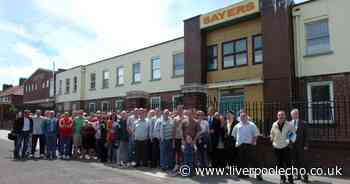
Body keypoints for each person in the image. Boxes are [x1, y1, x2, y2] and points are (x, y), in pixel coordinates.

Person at [232, 110, 262, 180]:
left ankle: (258, 175)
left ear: (247, 117)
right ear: (240, 117)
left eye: (244, 116)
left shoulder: (252, 125)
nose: (243, 117)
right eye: (241, 116)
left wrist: (253, 142)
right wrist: (238, 142)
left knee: (254, 161)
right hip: (241, 145)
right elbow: (234, 135)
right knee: (242, 160)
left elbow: (256, 135)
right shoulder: (237, 125)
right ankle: (244, 174)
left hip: (250, 145)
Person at [270, 110, 296, 184]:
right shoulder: (274, 124)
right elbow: (272, 133)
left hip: (286, 147)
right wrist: (272, 141)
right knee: (279, 164)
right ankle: (282, 178)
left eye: (282, 115)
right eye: (279, 115)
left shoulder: (289, 124)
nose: (281, 116)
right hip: (277, 147)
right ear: (277, 116)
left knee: (288, 164)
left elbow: (293, 135)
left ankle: (290, 179)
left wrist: (289, 141)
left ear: (285, 116)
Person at [290, 109, 309, 183]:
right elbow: (288, 135)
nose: (295, 115)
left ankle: (305, 177)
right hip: (292, 146)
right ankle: (297, 175)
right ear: (291, 115)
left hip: (301, 146)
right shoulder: (289, 123)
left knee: (303, 162)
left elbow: (306, 135)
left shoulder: (303, 123)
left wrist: (306, 145)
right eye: (293, 114)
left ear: (298, 114)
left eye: (296, 113)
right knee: (294, 162)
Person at [173, 105, 184, 172]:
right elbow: (173, 130)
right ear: (177, 110)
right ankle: (177, 165)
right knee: (177, 152)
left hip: (183, 138)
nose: (180, 110)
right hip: (177, 138)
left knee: (183, 152)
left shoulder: (186, 117)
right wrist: (173, 141)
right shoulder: (175, 118)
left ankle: (183, 166)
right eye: (179, 109)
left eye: (181, 109)